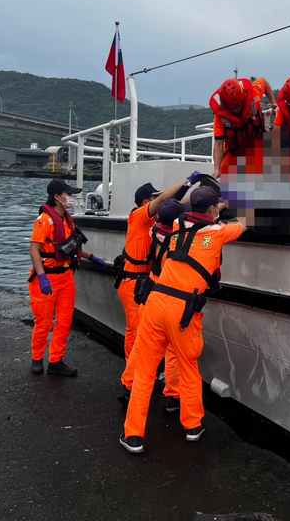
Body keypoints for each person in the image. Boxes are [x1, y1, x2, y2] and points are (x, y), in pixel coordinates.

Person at [120, 187, 251, 453]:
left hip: (156, 302)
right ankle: (192, 426)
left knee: (145, 370)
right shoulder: (218, 233)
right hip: (184, 310)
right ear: (213, 210)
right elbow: (247, 221)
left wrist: (214, 205)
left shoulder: (177, 225)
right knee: (188, 365)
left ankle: (133, 435)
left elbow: (201, 212)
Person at [117, 173, 202, 361]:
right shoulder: (138, 217)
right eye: (155, 199)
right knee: (137, 330)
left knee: (141, 330)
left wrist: (203, 193)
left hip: (145, 282)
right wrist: (188, 182)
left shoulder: (156, 221)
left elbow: (177, 203)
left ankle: (138, 371)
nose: (161, 202)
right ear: (146, 202)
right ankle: (133, 377)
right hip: (133, 282)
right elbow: (166, 199)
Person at [28, 179, 106, 376]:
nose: (71, 198)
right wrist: (42, 276)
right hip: (46, 279)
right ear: (57, 196)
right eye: (68, 194)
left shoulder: (67, 220)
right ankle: (37, 359)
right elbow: (34, 250)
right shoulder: (44, 221)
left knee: (64, 321)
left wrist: (91, 257)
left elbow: (69, 248)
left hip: (65, 278)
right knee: (43, 322)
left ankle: (56, 361)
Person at [118, 197, 187, 411]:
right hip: (171, 296)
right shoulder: (178, 241)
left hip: (151, 294)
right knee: (175, 348)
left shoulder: (153, 231)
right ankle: (172, 396)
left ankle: (130, 386)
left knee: (142, 344)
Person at [211, 77, 276, 179]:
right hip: (235, 150)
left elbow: (263, 81)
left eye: (237, 107)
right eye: (230, 109)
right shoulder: (220, 118)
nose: (235, 111)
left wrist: (273, 103)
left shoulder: (253, 94)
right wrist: (217, 169)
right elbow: (218, 144)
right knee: (224, 173)